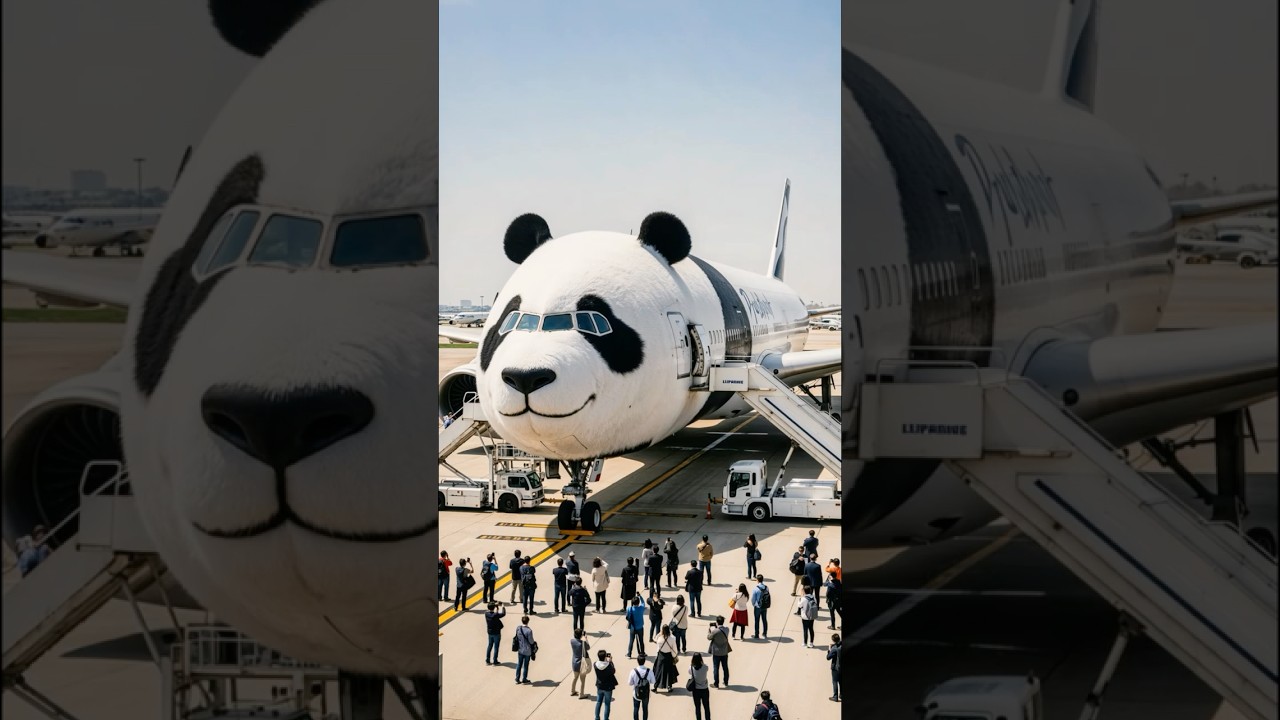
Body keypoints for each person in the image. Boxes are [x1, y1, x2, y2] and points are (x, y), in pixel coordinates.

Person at [627, 654, 657, 720]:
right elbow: (653, 681)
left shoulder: (633, 671)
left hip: (636, 693)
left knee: (636, 708)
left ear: (637, 661)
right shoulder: (649, 671)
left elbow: (630, 683)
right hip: (646, 694)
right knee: (645, 709)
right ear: (644, 661)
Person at [706, 617, 732, 687]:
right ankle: (726, 682)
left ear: (717, 622)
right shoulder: (727, 629)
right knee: (725, 667)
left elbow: (709, 637)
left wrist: (709, 631)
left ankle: (716, 683)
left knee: (716, 668)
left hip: (716, 652)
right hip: (724, 652)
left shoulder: (715, 631)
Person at [594, 649, 618, 720]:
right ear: (605, 657)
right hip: (608, 687)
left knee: (598, 702)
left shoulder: (595, 664)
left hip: (600, 686)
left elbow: (601, 664)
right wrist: (610, 662)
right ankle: (606, 718)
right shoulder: (609, 665)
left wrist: (606, 661)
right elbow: (613, 671)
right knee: (607, 704)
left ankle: (597, 717)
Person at [653, 625, 679, 691]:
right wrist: (674, 656)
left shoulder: (659, 639)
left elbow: (655, 638)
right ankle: (669, 686)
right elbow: (675, 649)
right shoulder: (672, 639)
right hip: (669, 656)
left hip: (661, 656)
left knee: (658, 672)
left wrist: (660, 633)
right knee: (669, 672)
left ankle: (655, 686)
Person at [570, 628, 592, 697]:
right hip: (582, 663)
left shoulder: (572, 641)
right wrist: (585, 638)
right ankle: (581, 694)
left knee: (575, 677)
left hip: (574, 662)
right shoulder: (583, 643)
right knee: (582, 680)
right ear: (581, 635)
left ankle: (572, 691)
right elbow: (588, 647)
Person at [688, 653, 711, 720]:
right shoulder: (705, 667)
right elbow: (706, 668)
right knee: (706, 707)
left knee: (697, 708)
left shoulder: (691, 668)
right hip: (704, 689)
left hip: (696, 690)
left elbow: (689, 672)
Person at [514, 615, 535, 684]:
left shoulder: (518, 628)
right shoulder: (529, 631)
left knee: (519, 664)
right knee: (526, 665)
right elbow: (531, 641)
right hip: (527, 650)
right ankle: (524, 679)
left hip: (520, 649)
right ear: (528, 621)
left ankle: (517, 678)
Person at [750, 575, 771, 639]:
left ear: (757, 580)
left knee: (757, 620)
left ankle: (757, 634)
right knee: (764, 620)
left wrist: (754, 604)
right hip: (764, 606)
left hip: (758, 607)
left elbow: (753, 599)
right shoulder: (766, 587)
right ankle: (765, 633)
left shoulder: (755, 589)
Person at [827, 634, 842, 702]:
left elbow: (828, 657)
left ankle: (835, 697)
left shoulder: (834, 648)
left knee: (835, 681)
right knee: (841, 681)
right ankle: (841, 695)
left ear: (833, 640)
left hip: (836, 668)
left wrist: (829, 650)